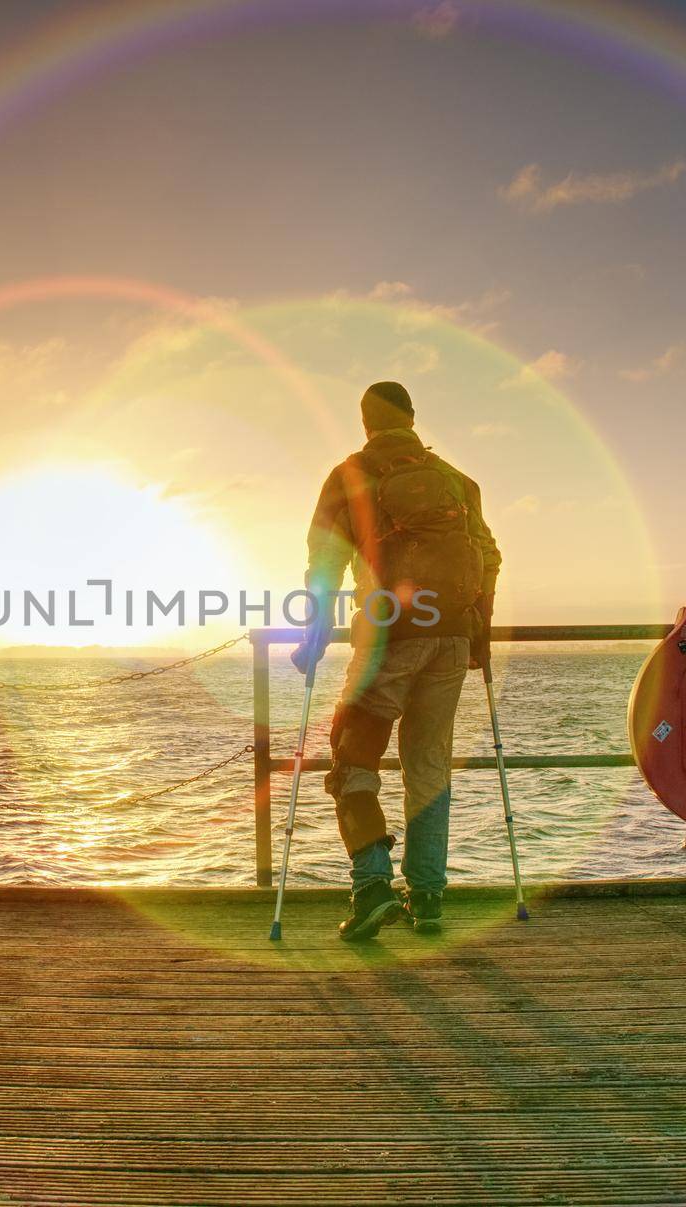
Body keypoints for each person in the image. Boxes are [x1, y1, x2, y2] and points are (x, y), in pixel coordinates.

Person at [293, 381, 500, 940]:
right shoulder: (458, 481)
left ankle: (373, 887)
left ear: (364, 423)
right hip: (453, 637)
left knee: (352, 760)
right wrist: (479, 630)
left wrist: (313, 632)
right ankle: (428, 898)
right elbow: (488, 555)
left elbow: (325, 561)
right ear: (412, 417)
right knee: (428, 768)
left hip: (389, 635)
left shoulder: (349, 475)